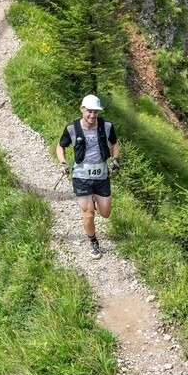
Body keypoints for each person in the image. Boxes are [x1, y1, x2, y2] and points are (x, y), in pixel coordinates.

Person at [56, 94, 121, 260]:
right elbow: (60, 146)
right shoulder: (72, 128)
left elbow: (114, 143)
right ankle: (93, 242)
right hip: (81, 176)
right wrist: (63, 163)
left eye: (95, 112)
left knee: (105, 213)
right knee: (89, 213)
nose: (92, 115)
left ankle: (94, 201)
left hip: (101, 175)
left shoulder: (107, 126)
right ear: (82, 109)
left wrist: (115, 159)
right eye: (89, 111)